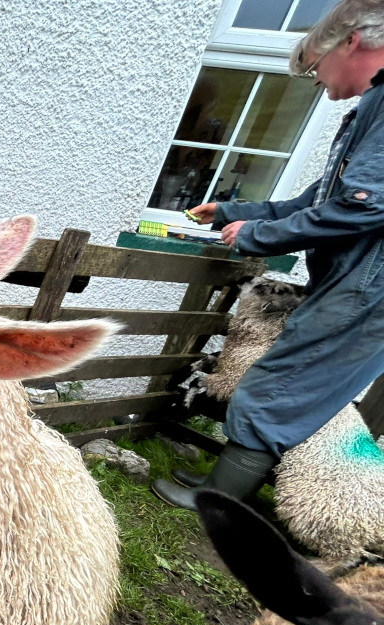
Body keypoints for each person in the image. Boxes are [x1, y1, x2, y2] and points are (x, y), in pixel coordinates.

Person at [153, 0, 384, 512]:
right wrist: (232, 211)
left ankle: (217, 503)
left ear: (351, 42)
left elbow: (365, 206)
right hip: (359, 284)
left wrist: (259, 235)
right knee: (284, 386)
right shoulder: (370, 109)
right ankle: (221, 487)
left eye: (315, 67)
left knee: (278, 387)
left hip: (367, 289)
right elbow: (317, 201)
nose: (317, 82)